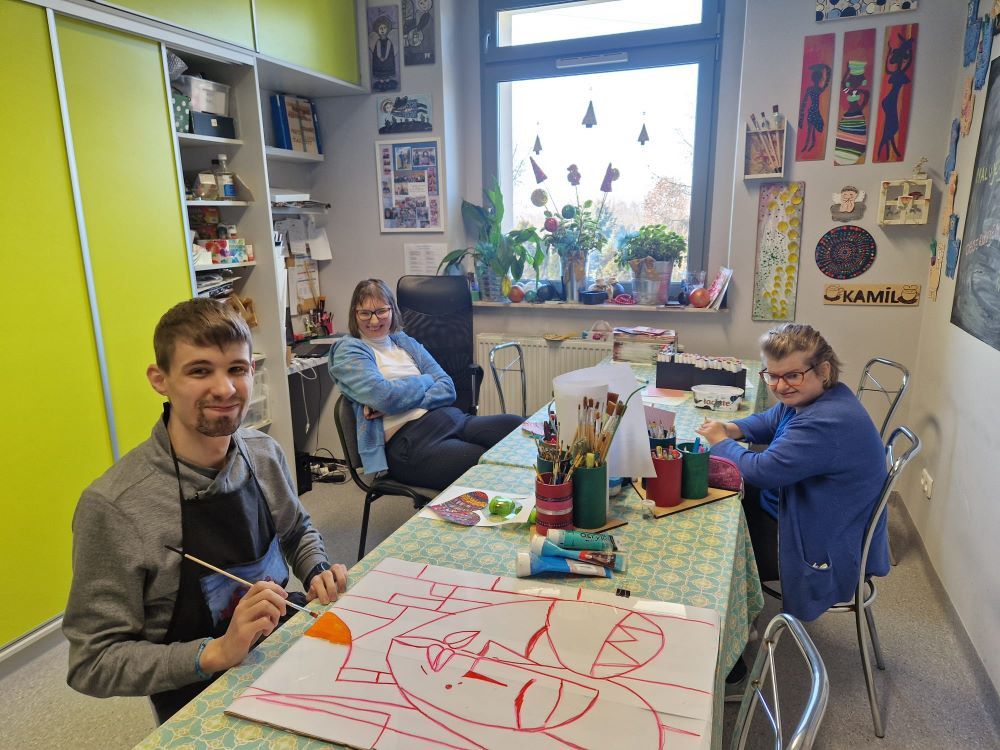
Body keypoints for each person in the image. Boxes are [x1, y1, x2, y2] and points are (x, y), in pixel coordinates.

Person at [63, 298, 348, 723]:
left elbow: (296, 530)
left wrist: (317, 570)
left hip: (280, 645)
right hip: (198, 693)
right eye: (200, 371)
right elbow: (92, 662)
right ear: (160, 380)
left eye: (237, 369)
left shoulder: (264, 453)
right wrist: (216, 652)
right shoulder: (116, 506)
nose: (226, 388)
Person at [696, 323, 887, 622]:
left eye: (792, 375)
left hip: (818, 540)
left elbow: (761, 471)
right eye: (772, 376)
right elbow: (770, 420)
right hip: (805, 509)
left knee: (714, 540)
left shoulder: (825, 422)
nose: (780, 386)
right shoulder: (815, 396)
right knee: (717, 499)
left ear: (823, 370)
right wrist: (732, 428)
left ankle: (730, 627)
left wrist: (720, 441)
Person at [328, 279, 523, 490]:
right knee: (486, 465)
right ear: (354, 314)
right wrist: (426, 380)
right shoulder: (348, 351)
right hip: (409, 442)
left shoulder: (403, 341)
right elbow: (384, 397)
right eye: (365, 313)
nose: (374, 320)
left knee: (518, 428)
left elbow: (447, 387)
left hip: (449, 419)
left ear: (392, 310)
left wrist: (400, 399)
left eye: (381, 311)